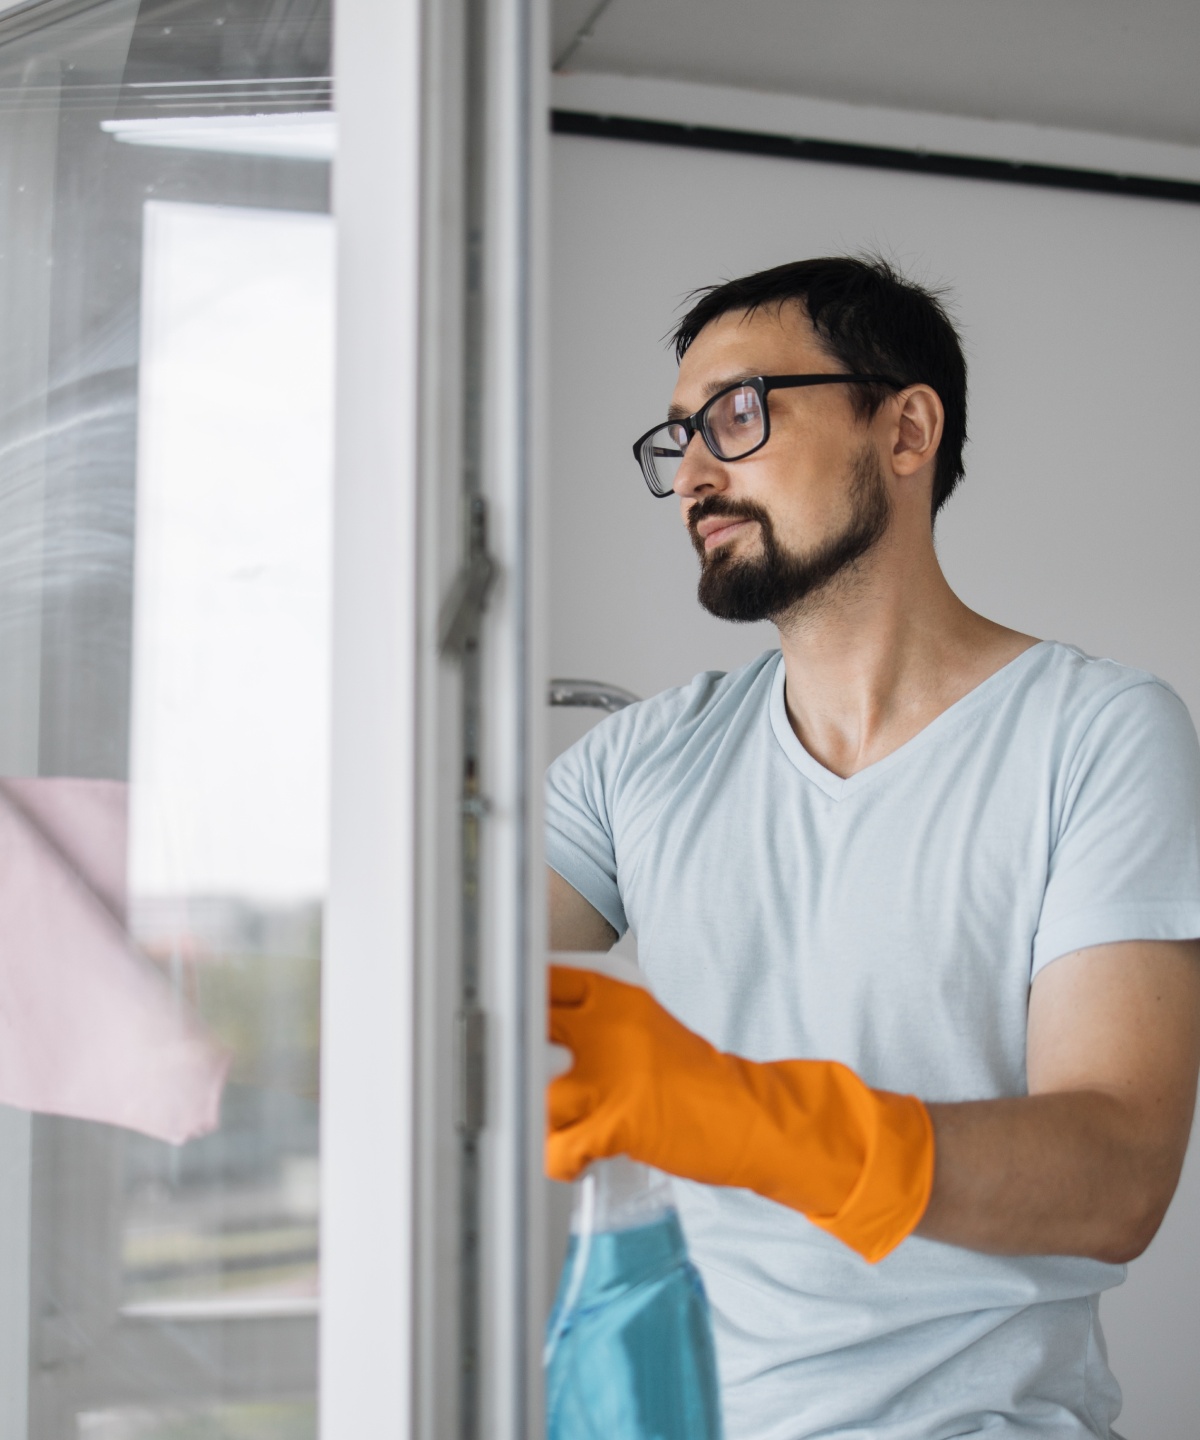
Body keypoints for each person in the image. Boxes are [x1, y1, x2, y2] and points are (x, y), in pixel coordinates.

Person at [543, 255, 1200, 1439]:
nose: (691, 472)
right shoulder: (633, 763)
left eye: (737, 416)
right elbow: (425, 997)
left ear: (905, 428)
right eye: (679, 436)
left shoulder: (1096, 732)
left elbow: (1120, 1175)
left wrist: (754, 1119)